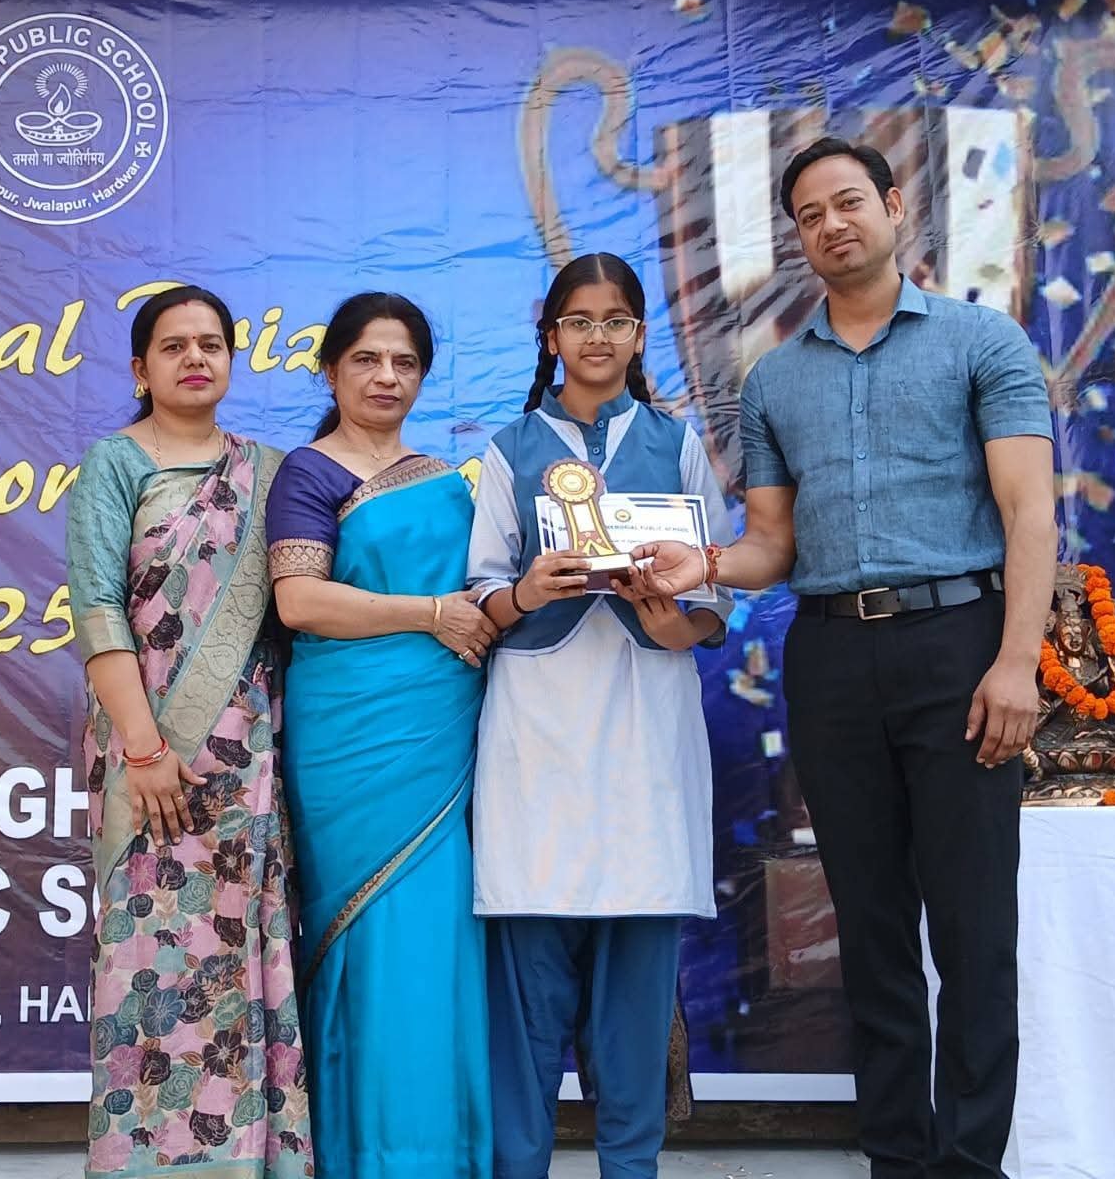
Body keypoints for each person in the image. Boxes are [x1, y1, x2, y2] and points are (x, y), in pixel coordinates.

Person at [635, 138, 1058, 1179]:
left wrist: (1016, 663)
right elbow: (772, 546)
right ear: (796, 239)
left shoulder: (981, 341)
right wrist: (705, 562)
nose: (831, 224)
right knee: (870, 932)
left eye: (847, 202)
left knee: (973, 931)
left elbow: (1029, 512)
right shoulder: (775, 380)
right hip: (828, 658)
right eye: (809, 215)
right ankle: (896, 1161)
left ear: (895, 207)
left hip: (960, 648)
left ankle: (970, 1162)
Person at [466, 252, 732, 1179]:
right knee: (527, 999)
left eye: (616, 321)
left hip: (648, 727)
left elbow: (715, 598)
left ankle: (632, 1166)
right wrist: (528, 592)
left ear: (640, 335)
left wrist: (673, 623)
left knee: (634, 1004)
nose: (597, 337)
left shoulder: (677, 442)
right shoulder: (508, 449)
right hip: (536, 734)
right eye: (579, 321)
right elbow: (481, 594)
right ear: (550, 337)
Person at [66, 285, 313, 1178]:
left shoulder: (271, 473)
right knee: (150, 956)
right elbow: (98, 612)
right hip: (147, 758)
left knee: (240, 948)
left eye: (211, 344)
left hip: (245, 760)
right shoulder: (114, 465)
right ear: (142, 368)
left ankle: (247, 1158)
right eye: (174, 346)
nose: (195, 359)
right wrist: (143, 750)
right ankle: (147, 1159)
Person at [265, 292, 495, 1179]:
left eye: (404, 362)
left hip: (441, 735)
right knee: (365, 937)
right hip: (350, 741)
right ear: (331, 370)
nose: (386, 377)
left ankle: (435, 1154)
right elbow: (300, 601)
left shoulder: (446, 479)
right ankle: (359, 1155)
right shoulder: (309, 473)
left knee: (434, 937)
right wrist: (430, 612)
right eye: (366, 359)